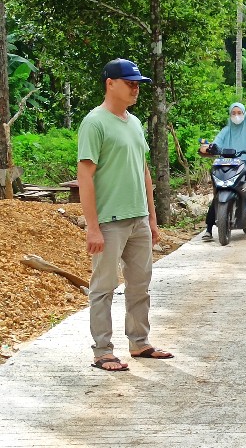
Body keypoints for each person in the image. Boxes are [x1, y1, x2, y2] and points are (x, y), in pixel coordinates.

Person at [77, 58, 174, 372]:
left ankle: (139, 342)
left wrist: (152, 218)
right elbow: (85, 175)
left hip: (138, 219)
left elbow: (143, 171)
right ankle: (103, 351)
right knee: (103, 287)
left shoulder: (134, 122)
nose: (135, 88)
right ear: (110, 83)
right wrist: (93, 226)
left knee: (139, 285)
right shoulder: (95, 123)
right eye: (129, 82)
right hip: (110, 221)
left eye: (137, 84)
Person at [200, 102, 246, 241]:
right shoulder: (226, 130)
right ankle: (208, 229)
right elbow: (216, 143)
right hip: (227, 166)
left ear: (244, 115)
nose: (236, 116)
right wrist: (207, 147)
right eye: (234, 113)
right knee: (217, 194)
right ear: (230, 115)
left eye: (239, 113)